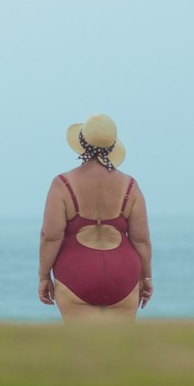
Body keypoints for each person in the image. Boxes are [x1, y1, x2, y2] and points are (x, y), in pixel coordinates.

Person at [38, 114, 153, 320]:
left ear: (81, 144)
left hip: (76, 273)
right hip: (123, 274)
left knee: (81, 348)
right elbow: (141, 239)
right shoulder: (130, 186)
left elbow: (50, 236)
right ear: (112, 147)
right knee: (120, 348)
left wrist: (43, 276)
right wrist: (146, 277)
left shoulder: (62, 184)